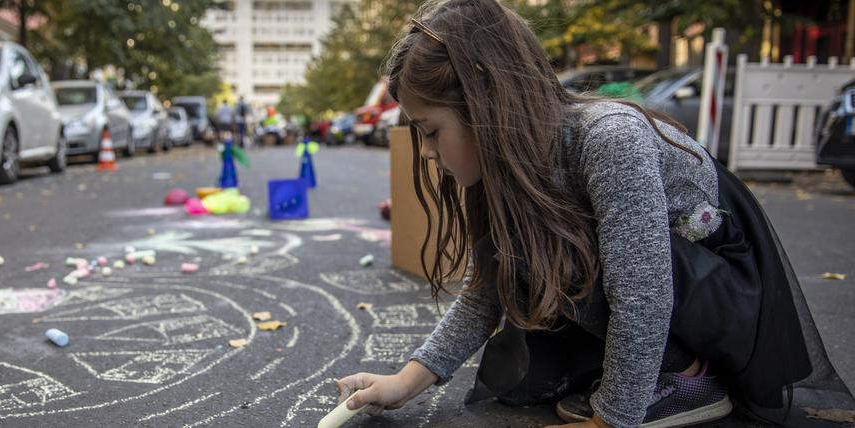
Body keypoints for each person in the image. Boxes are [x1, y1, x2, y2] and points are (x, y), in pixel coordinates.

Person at [334, 1, 855, 428]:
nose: (426, 152)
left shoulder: (609, 139)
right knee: (526, 250)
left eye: (430, 131)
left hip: (724, 303)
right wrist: (405, 381)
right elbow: (485, 290)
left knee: (561, 250)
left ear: (487, 107)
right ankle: (646, 377)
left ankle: (688, 379)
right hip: (667, 296)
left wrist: (611, 421)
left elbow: (644, 293)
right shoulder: (516, 166)